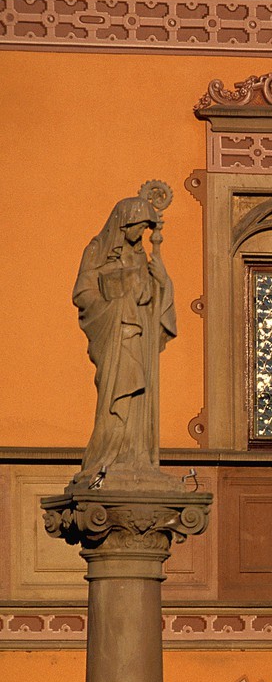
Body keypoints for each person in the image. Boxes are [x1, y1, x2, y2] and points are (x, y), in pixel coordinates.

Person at [70, 180, 178, 490]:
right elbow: (83, 294)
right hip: (116, 334)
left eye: (145, 228)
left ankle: (138, 457)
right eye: (136, 226)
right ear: (122, 223)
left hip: (140, 336)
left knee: (139, 400)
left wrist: (163, 281)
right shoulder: (96, 250)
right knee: (114, 396)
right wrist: (118, 303)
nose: (140, 234)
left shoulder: (144, 257)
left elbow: (157, 300)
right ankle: (105, 457)